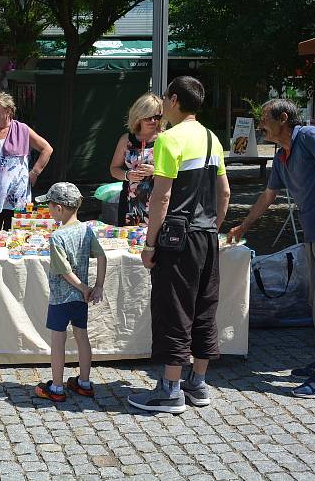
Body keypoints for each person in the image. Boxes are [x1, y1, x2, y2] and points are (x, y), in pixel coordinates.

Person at [227, 99, 315, 399]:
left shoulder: (310, 137)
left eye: (265, 118)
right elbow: (267, 196)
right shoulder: (281, 156)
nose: (261, 124)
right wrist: (244, 226)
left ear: (284, 118)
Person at [127, 76, 230, 414]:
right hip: (207, 236)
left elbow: (162, 196)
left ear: (173, 99)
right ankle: (198, 384)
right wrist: (213, 227)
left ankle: (170, 389)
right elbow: (224, 193)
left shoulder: (168, 139)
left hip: (177, 237)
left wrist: (150, 243)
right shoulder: (212, 138)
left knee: (174, 308)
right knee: (204, 306)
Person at [33, 182, 107, 402]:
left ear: (59, 209)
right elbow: (102, 256)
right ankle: (84, 382)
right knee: (82, 336)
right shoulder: (86, 230)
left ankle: (56, 387)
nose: (48, 210)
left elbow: (64, 270)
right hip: (80, 299)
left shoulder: (57, 237)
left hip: (61, 298)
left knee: (58, 341)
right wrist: (98, 286)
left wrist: (85, 288)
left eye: (49, 205)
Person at [0, 92, 53, 231]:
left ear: (8, 111)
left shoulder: (23, 130)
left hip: (16, 195)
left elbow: (46, 149)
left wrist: (35, 172)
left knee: (16, 238)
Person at [109, 93, 164, 226]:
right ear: (139, 116)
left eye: (157, 117)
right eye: (148, 117)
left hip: (157, 202)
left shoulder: (165, 139)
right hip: (129, 203)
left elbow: (177, 171)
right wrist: (127, 175)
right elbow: (114, 169)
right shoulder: (126, 140)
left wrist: (155, 170)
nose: (153, 121)